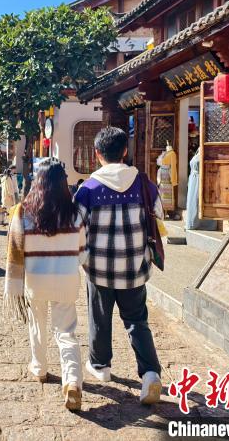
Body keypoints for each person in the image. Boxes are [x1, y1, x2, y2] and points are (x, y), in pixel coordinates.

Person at [74, 127, 164, 405]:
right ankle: (150, 373)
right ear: (125, 151)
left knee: (99, 317)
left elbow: (75, 228)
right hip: (135, 267)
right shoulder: (144, 184)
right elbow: (159, 216)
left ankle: (101, 367)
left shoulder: (87, 189)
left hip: (99, 269)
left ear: (97, 154)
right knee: (137, 320)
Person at [4, 159, 84, 410]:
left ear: (36, 181)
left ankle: (39, 368)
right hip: (66, 280)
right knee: (66, 332)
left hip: (35, 282)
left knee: (36, 325)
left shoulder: (23, 212)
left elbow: (18, 251)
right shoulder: (76, 213)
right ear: (63, 182)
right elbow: (82, 250)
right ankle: (72, 381)